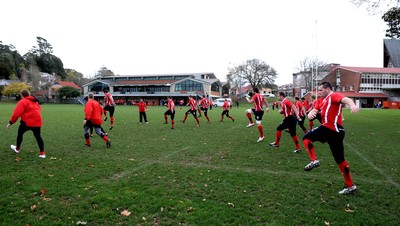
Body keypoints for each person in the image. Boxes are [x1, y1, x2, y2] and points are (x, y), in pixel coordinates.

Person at [302, 82, 359, 195]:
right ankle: (350, 185)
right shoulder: (321, 101)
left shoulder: (333, 96)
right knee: (340, 160)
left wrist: (352, 105)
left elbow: (346, 99)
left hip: (331, 128)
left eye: (320, 90)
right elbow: (314, 110)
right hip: (335, 132)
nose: (319, 92)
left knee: (306, 138)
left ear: (327, 89)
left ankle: (314, 160)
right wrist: (310, 114)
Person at [7, 89, 46, 158]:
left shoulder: (22, 102)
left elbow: (16, 114)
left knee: (20, 133)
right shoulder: (35, 102)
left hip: (27, 122)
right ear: (29, 94)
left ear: (21, 95)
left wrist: (11, 122)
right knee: (38, 136)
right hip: (37, 122)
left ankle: (17, 149)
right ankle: (42, 154)